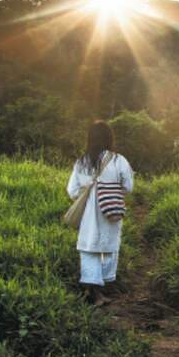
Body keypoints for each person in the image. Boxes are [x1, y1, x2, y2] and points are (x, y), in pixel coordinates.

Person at [67, 120, 134, 306]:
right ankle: (99, 291)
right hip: (111, 210)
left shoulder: (81, 162)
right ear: (109, 138)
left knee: (89, 249)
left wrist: (88, 196)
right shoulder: (118, 160)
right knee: (108, 247)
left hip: (89, 215)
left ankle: (92, 291)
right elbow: (128, 187)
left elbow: (72, 190)